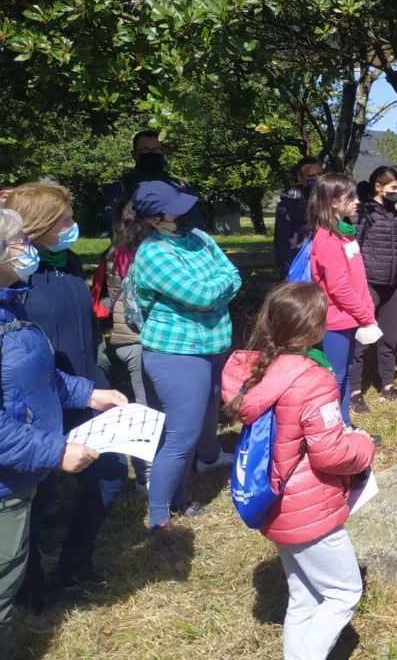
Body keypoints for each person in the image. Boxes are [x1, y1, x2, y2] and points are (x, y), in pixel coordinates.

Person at [221, 281, 375, 660]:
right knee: (343, 592)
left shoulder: (261, 369)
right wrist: (364, 445)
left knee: (305, 594)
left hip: (276, 502)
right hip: (309, 508)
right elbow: (330, 454)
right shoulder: (313, 379)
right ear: (316, 329)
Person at [0, 209, 125, 655]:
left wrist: (89, 394)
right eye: (17, 242)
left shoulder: (10, 303)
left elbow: (38, 374)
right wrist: (56, 452)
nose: (25, 250)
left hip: (24, 472)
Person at [130, 181, 241, 534]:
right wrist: (219, 288)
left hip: (212, 347)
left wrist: (218, 288)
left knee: (190, 431)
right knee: (180, 435)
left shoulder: (200, 239)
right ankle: (159, 518)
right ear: (154, 217)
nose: (186, 211)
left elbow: (234, 276)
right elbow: (200, 295)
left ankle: (177, 500)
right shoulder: (153, 252)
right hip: (176, 354)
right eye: (176, 207)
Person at [307, 174, 376, 427]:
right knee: (335, 378)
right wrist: (365, 315)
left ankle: (344, 424)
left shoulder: (346, 234)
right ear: (333, 202)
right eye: (351, 197)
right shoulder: (326, 240)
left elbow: (358, 279)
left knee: (346, 374)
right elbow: (339, 288)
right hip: (336, 320)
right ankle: (333, 430)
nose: (358, 201)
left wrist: (366, 308)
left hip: (351, 316)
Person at [104, 201, 156, 487]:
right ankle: (144, 474)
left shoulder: (115, 250)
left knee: (147, 402)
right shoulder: (150, 251)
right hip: (139, 338)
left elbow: (112, 296)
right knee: (146, 406)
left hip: (125, 338)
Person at [352, 166, 397, 407]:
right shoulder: (363, 214)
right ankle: (354, 391)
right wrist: (358, 287)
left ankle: (388, 385)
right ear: (378, 186)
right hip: (369, 285)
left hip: (393, 286)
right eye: (393, 188)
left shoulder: (395, 215)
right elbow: (353, 250)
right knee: (361, 339)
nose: (396, 192)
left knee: (389, 339)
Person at [104, 130, 195, 232]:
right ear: (133, 155)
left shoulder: (181, 186)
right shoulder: (120, 187)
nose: (150, 154)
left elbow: (194, 225)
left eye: (156, 150)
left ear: (163, 153)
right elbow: (116, 229)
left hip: (176, 244)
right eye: (144, 150)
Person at [273, 157, 322, 276]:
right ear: (300, 178)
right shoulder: (290, 202)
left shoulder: (329, 199)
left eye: (320, 175)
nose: (317, 180)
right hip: (300, 259)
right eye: (311, 176)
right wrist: (286, 268)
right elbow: (281, 238)